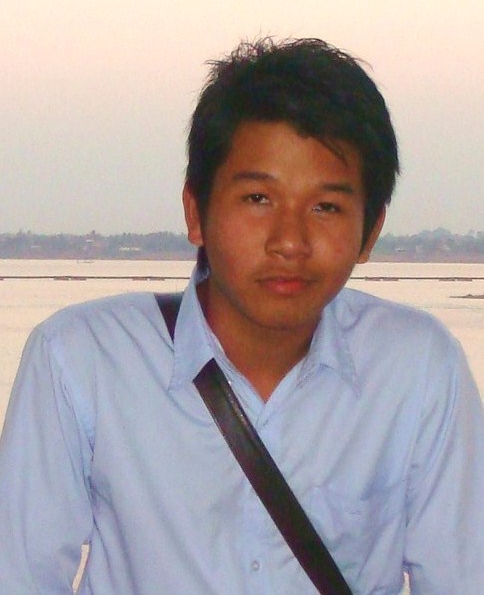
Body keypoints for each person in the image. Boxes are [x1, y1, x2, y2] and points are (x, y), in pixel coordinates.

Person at [0, 38, 482, 595]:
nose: (289, 241)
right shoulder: (80, 361)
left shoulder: (418, 369)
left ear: (370, 232)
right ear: (195, 212)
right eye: (258, 198)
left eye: (326, 206)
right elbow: (19, 575)